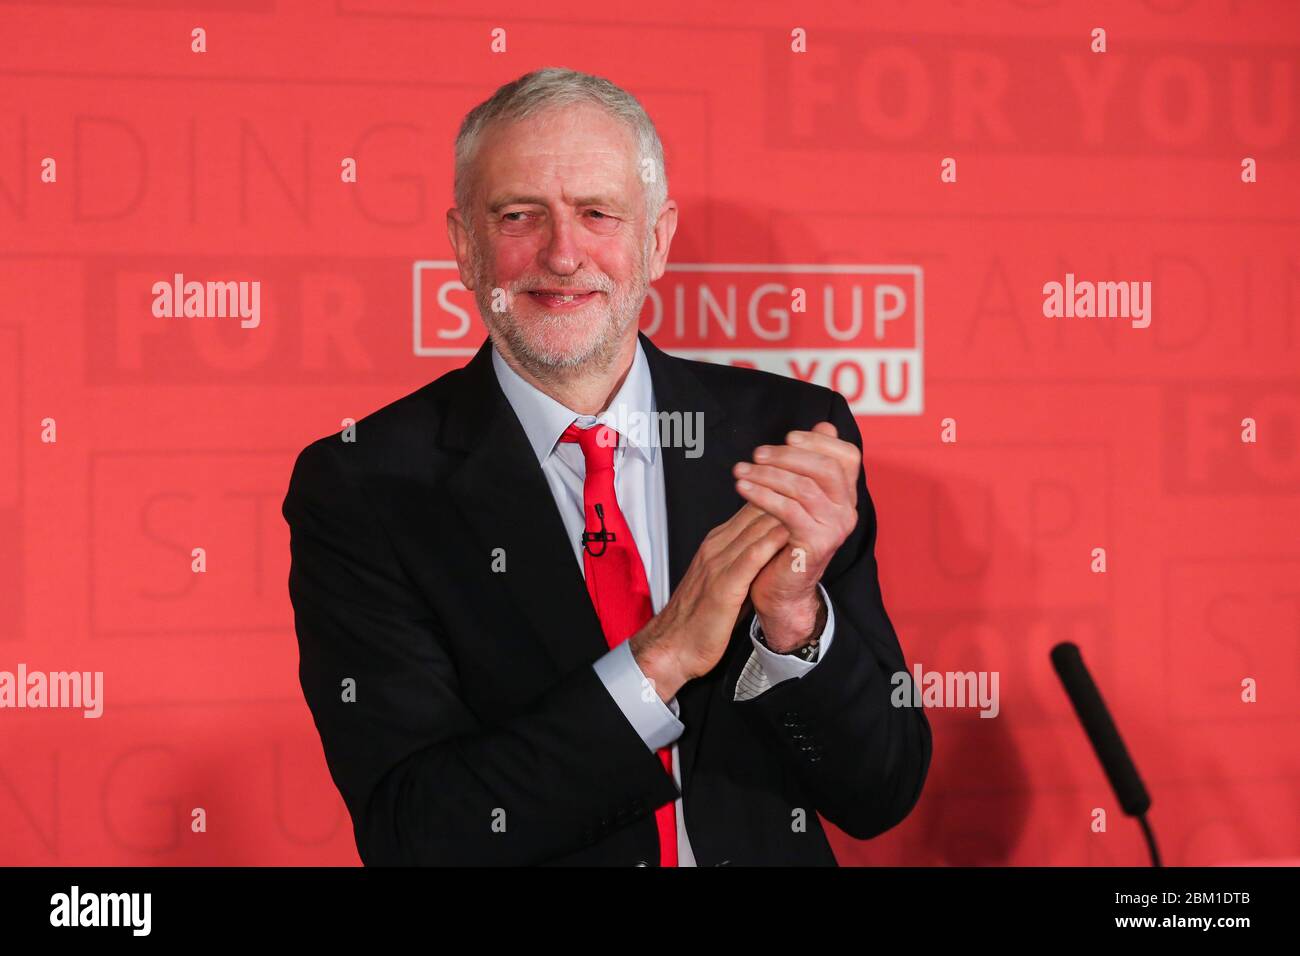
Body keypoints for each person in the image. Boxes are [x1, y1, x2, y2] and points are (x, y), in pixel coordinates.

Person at [281, 67, 931, 866]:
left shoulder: (790, 438)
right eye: (520, 215)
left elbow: (883, 791)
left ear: (655, 242)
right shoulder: (366, 486)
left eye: (598, 213)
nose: (562, 254)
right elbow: (419, 837)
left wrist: (794, 623)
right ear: (464, 247)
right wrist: (659, 659)